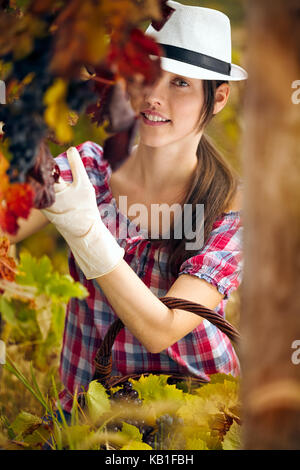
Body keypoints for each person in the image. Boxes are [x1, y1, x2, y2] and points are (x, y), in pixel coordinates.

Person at [5, 1, 247, 417]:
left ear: (219, 97)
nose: (154, 96)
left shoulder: (233, 208)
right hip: (87, 412)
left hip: (197, 414)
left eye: (181, 84)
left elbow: (162, 330)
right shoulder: (88, 171)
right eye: (146, 77)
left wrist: (88, 234)